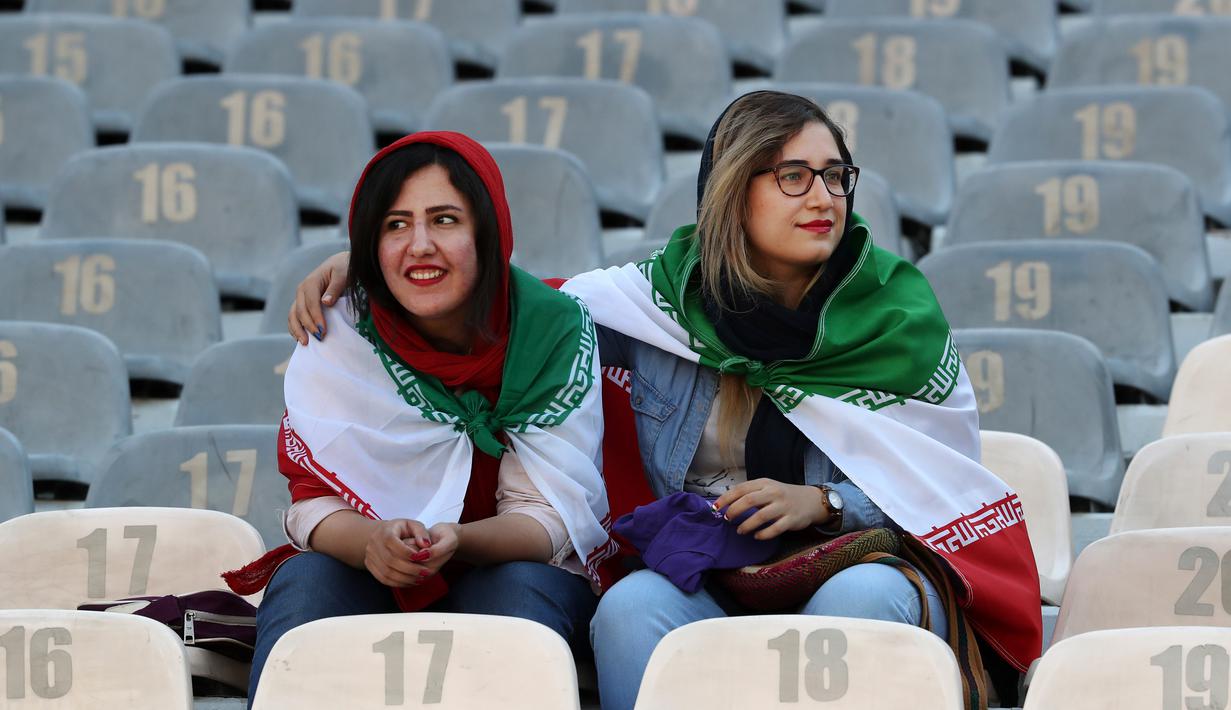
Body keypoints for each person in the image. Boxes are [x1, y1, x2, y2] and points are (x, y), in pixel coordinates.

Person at [288, 93, 1042, 710]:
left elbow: (936, 484)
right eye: (792, 177)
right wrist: (377, 266)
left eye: (835, 175)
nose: (822, 197)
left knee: (861, 595)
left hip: (863, 564)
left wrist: (823, 504)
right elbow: (515, 314)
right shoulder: (652, 306)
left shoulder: (895, 319)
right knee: (629, 607)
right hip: (710, 572)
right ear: (730, 190)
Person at [239, 131, 616, 702]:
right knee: (307, 581)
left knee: (515, 592)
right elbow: (311, 504)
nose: (418, 245)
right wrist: (372, 543)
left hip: (512, 565)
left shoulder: (551, 331)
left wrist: (456, 540)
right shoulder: (341, 328)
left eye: (444, 220)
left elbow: (548, 521)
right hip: (376, 565)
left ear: (489, 233)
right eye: (395, 225)